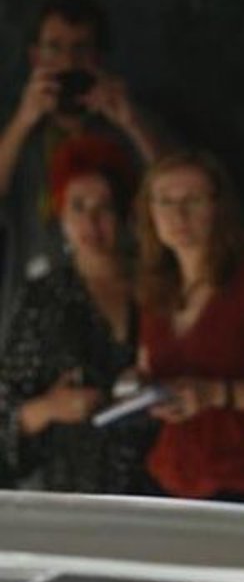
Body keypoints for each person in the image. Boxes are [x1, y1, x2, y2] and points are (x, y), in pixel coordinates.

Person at [135, 150, 244, 503]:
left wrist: (215, 394)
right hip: (174, 478)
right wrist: (137, 388)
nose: (178, 214)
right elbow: (149, 367)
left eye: (193, 200)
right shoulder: (156, 292)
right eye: (165, 201)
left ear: (218, 207)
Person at [0, 0, 164, 338]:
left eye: (81, 49)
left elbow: (183, 187)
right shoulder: (15, 133)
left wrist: (132, 122)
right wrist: (23, 122)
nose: (67, 62)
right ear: (34, 57)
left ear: (98, 59)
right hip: (32, 322)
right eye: (54, 48)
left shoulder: (128, 123)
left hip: (124, 315)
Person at [0, 134, 153, 492]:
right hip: (72, 486)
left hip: (162, 483)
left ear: (125, 214)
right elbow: (8, 410)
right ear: (61, 215)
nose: (91, 222)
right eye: (78, 207)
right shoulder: (44, 297)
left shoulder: (157, 286)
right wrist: (52, 407)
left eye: (104, 208)